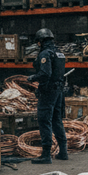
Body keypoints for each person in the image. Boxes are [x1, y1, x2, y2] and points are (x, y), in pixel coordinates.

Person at [27, 27, 67, 164]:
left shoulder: (45, 54)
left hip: (48, 91)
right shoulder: (58, 53)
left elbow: (45, 74)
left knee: (44, 120)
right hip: (58, 90)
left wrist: (32, 78)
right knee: (56, 120)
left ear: (41, 41)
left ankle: (46, 154)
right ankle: (63, 151)